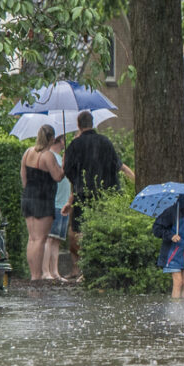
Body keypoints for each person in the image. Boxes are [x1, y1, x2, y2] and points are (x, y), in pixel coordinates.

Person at [61, 111, 135, 279]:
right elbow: (117, 166)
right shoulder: (106, 142)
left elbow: (67, 171)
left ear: (79, 125)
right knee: (103, 228)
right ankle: (100, 266)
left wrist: (79, 181)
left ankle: (85, 265)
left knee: (78, 231)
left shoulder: (74, 145)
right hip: (105, 194)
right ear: (93, 123)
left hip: (83, 194)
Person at [21, 125, 66, 281]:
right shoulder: (48, 156)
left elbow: (24, 178)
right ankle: (36, 275)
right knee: (40, 239)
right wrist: (64, 163)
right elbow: (58, 176)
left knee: (32, 238)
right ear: (52, 138)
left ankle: (33, 274)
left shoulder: (28, 152)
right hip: (43, 200)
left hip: (28, 198)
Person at [42, 134, 71, 282]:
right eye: (65, 139)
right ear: (60, 141)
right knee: (49, 238)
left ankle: (55, 272)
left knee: (57, 240)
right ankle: (45, 272)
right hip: (53, 204)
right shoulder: (50, 156)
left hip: (63, 204)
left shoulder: (60, 157)